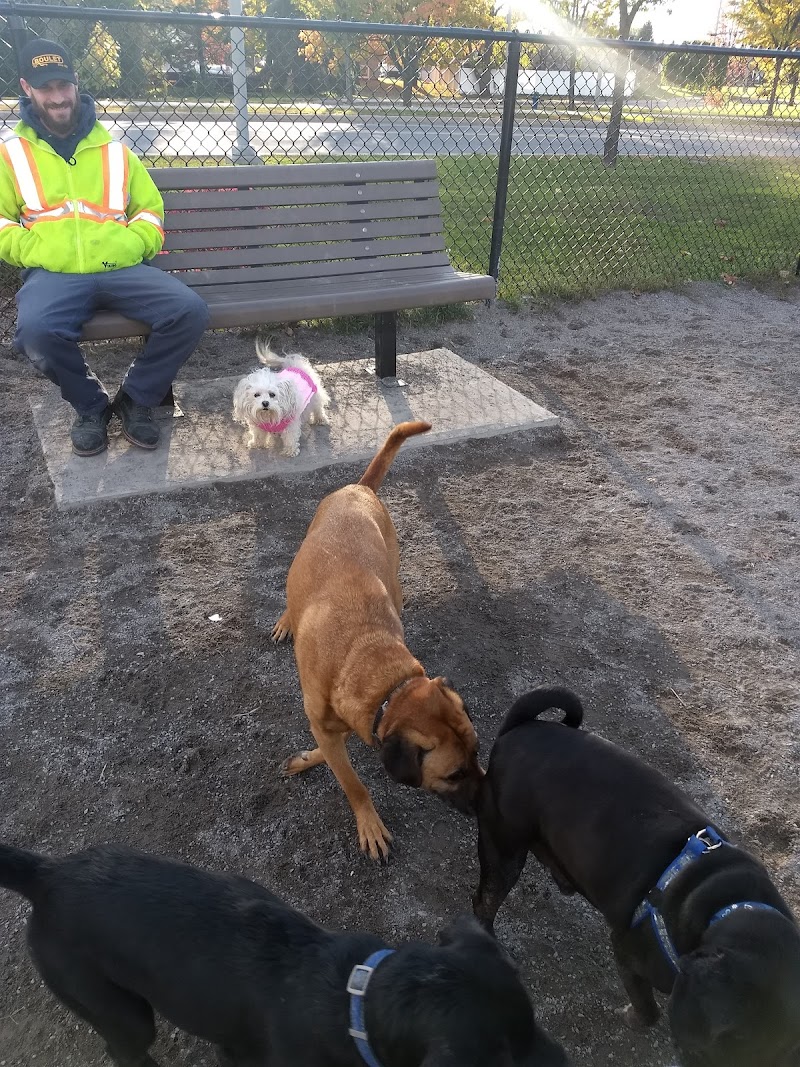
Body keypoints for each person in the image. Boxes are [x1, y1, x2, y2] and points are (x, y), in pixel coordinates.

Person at [0, 38, 210, 456]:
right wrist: (38, 250)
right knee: (36, 332)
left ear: (76, 83)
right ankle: (91, 406)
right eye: (46, 88)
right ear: (26, 87)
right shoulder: (10, 155)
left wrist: (133, 244)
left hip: (121, 267)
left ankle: (135, 399)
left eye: (64, 85)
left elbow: (150, 210)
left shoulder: (115, 150)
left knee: (189, 311)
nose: (58, 97)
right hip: (53, 272)